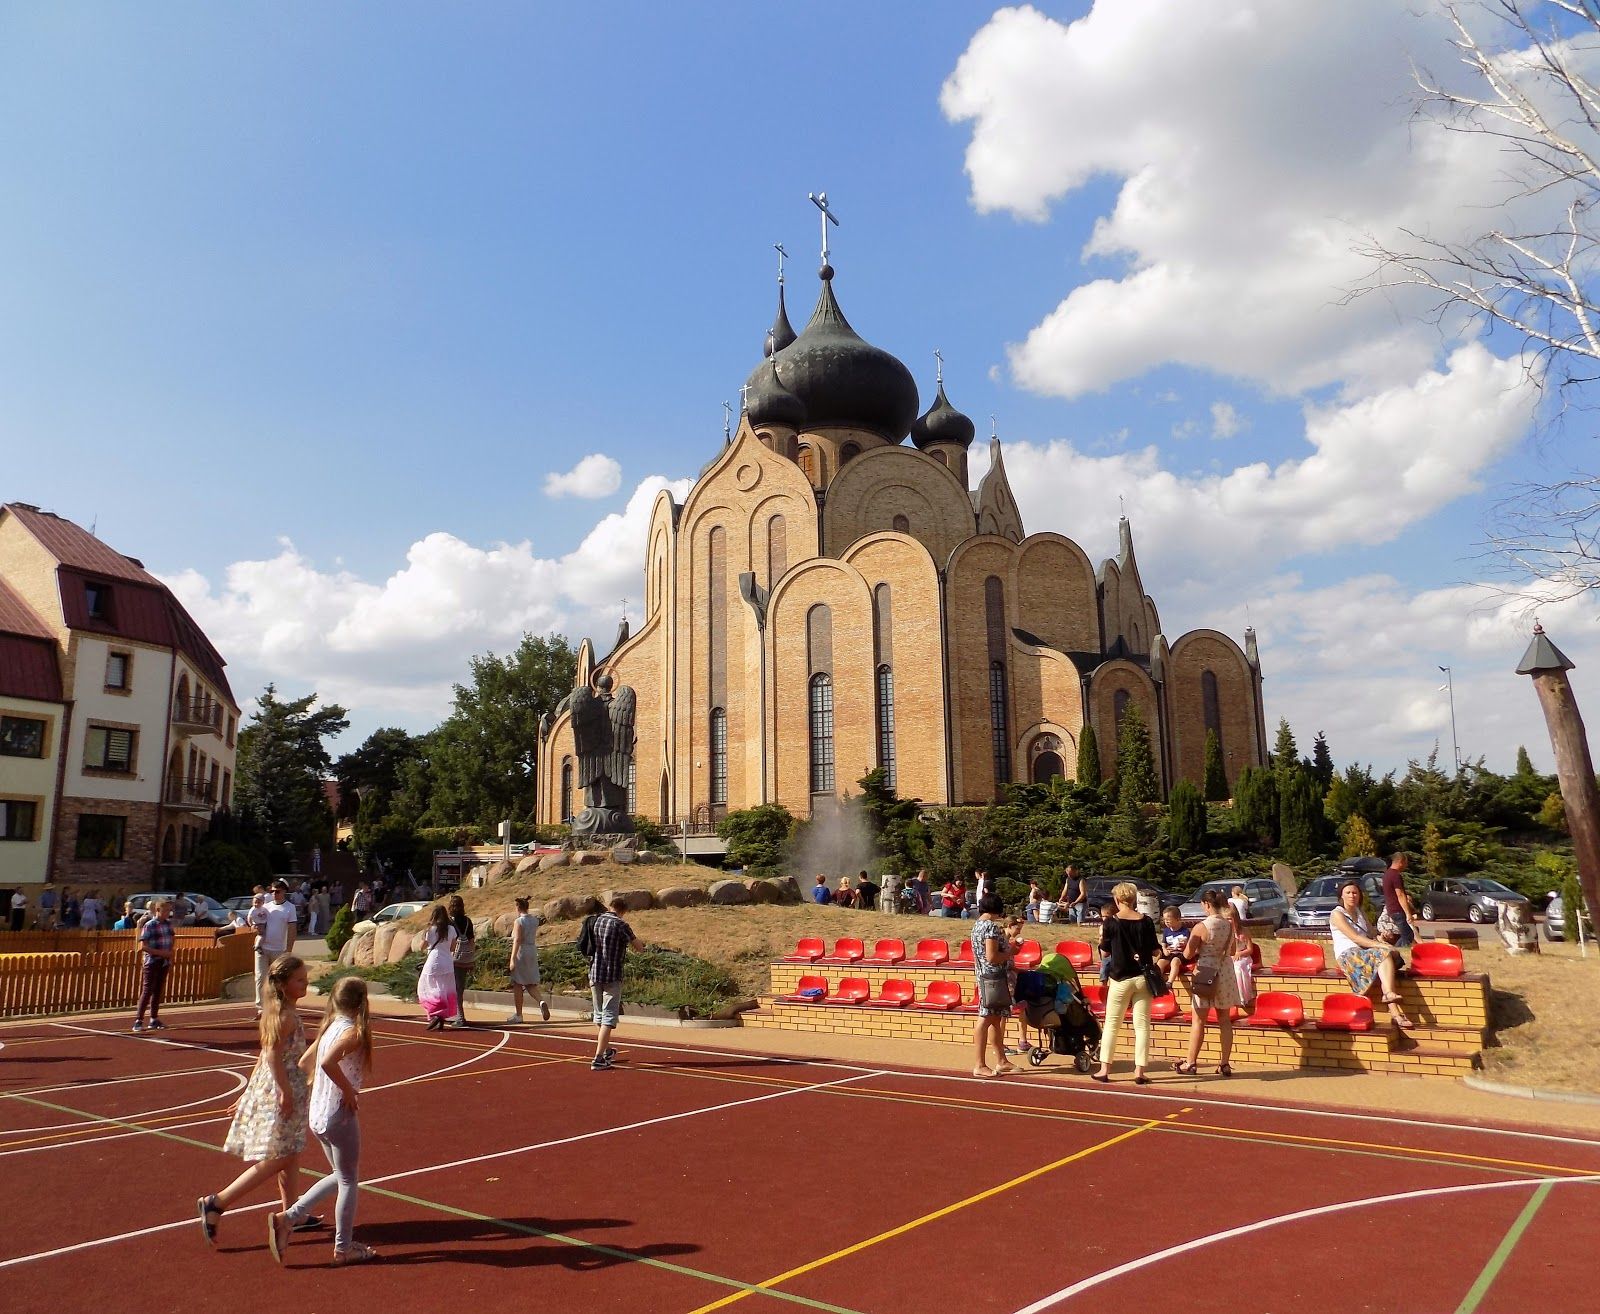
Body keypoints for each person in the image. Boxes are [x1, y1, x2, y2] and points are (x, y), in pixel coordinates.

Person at [198, 954, 312, 1250]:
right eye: (300, 979)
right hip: (283, 1090)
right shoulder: (285, 1017)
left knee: (291, 1153)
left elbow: (263, 1057)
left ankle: (292, 1212)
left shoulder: (280, 1012)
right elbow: (272, 1057)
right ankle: (218, 1201)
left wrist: (248, 1092)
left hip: (276, 1087)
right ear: (285, 985)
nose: (306, 982)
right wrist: (285, 1092)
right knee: (281, 1157)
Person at [270, 976, 377, 1266]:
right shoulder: (353, 1031)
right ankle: (343, 1248)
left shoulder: (330, 1026)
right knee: (349, 1180)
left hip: (319, 1113)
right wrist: (346, 1090)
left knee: (339, 1175)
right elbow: (327, 1062)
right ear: (361, 1002)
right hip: (337, 1114)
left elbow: (307, 1063)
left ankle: (288, 1218)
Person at [1092, 882, 1159, 1084]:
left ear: (1117, 900)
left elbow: (1105, 952)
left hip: (1120, 978)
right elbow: (1156, 950)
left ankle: (1105, 1069)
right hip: (1142, 977)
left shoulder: (1110, 923)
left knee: (1112, 1024)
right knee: (1142, 1025)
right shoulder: (1146, 921)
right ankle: (1139, 1071)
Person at [1174, 887, 1241, 1076]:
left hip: (1205, 972)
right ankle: (1224, 1063)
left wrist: (1189, 948)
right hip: (1225, 972)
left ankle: (1191, 1062)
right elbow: (1233, 948)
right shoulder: (1229, 925)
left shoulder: (1202, 926)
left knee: (1198, 1020)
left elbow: (1188, 954)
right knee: (1224, 1019)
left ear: (1207, 904)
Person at [1330, 879, 1414, 1029]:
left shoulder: (1360, 912)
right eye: (1348, 893)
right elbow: (1355, 938)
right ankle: (1394, 1010)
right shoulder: (1337, 914)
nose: (1352, 896)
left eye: (1355, 892)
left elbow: (1371, 935)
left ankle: (1391, 1002)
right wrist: (1381, 945)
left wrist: (1383, 937)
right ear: (1341, 896)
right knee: (1383, 954)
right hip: (1348, 955)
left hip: (1365, 952)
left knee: (1384, 958)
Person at [587, 896, 643, 1071]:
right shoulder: (621, 924)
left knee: (599, 1014)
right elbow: (638, 947)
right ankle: (598, 1058)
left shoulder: (596, 920)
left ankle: (605, 1050)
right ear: (623, 910)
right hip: (612, 973)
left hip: (595, 971)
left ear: (610, 906)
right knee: (609, 1017)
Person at [969, 892, 1016, 1078]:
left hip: (986, 976)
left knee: (995, 1019)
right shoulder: (990, 927)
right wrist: (1011, 952)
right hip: (992, 977)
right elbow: (992, 956)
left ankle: (1002, 1060)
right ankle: (979, 1064)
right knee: (986, 1017)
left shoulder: (977, 925)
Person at [254, 883, 298, 1020]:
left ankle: (279, 1005)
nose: (274, 893)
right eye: (272, 891)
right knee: (260, 977)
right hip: (263, 948)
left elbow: (292, 930)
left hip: (279, 949)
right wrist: (255, 929)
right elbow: (256, 922)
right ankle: (261, 1008)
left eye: (277, 891)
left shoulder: (290, 908)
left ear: (284, 891)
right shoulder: (265, 907)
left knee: (279, 980)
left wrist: (289, 950)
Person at [132, 898, 175, 1032]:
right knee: (147, 990)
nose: (168, 913)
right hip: (152, 962)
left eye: (169, 910)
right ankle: (138, 1020)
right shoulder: (150, 925)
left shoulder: (168, 924)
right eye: (166, 910)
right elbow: (143, 946)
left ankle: (154, 1019)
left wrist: (169, 953)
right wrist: (162, 953)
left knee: (158, 991)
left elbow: (172, 938)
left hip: (164, 962)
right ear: (158, 910)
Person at [507, 895, 550, 1024]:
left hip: (522, 951)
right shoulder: (534, 920)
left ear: (518, 907)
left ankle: (519, 1014)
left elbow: (517, 940)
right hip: (532, 950)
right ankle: (541, 1001)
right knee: (530, 983)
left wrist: (512, 958)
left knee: (518, 983)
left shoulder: (519, 921)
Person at [417, 905, 458, 1031]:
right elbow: (452, 948)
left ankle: (435, 1013)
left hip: (433, 961)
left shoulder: (430, 929)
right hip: (447, 962)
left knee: (428, 987)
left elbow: (421, 947)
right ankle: (441, 1016)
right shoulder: (451, 929)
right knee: (445, 989)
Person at [447, 894, 476, 1028]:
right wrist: (471, 957)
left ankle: (460, 1016)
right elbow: (471, 941)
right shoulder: (468, 921)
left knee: (454, 989)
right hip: (465, 958)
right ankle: (456, 1014)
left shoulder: (450, 922)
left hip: (453, 958)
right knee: (460, 988)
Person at [1381, 852, 1417, 949]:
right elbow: (1400, 894)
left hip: (1391, 909)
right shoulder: (1395, 875)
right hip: (1397, 909)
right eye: (1406, 862)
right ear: (1401, 862)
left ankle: (1396, 949)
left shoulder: (1386, 874)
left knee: (1406, 933)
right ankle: (1397, 950)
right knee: (1408, 935)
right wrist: (1408, 913)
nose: (1406, 865)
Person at [1156, 904, 1189, 988]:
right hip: (1170, 952)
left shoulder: (1185, 931)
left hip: (1180, 954)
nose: (1166, 922)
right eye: (1164, 920)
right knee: (1160, 962)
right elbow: (1164, 943)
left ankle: (1169, 982)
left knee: (1175, 961)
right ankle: (1158, 982)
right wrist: (1164, 950)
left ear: (1178, 919)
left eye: (1168, 920)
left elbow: (1189, 944)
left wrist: (1184, 945)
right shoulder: (1166, 931)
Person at [1230, 907, 1257, 1006]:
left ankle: (1242, 997)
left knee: (1238, 969)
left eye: (1230, 918)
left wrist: (1240, 953)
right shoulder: (1225, 932)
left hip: (1244, 957)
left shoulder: (1244, 931)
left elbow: (1250, 950)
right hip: (1231, 958)